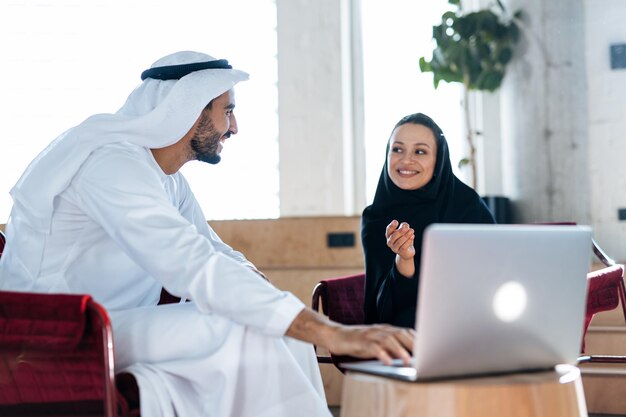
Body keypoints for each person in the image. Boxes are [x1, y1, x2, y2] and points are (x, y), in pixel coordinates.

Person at [0, 51, 414, 417]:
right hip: (55, 332)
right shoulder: (110, 167)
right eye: (226, 111)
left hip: (115, 323)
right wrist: (332, 332)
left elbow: (215, 250)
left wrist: (270, 300)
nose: (233, 127)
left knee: (279, 331)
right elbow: (191, 263)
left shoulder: (165, 178)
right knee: (242, 331)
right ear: (189, 108)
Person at [361, 113, 496, 328]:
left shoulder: (466, 206)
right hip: (405, 333)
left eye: (420, 151)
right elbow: (384, 311)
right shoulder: (377, 217)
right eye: (397, 149)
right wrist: (404, 259)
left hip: (471, 321)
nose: (406, 160)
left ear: (438, 159)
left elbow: (493, 276)